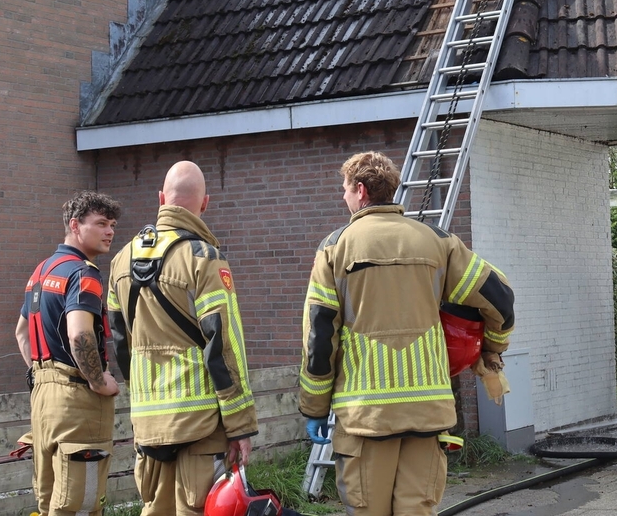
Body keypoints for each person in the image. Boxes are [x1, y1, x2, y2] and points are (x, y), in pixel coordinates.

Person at [299, 151, 515, 516]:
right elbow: (501, 299)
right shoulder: (438, 242)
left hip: (366, 417)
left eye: (346, 189)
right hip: (426, 416)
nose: (343, 197)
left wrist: (315, 407)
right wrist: (491, 347)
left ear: (361, 190)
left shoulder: (334, 248)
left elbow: (320, 336)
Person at [107, 161, 258, 516]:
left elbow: (120, 344)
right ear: (204, 204)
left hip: (148, 424)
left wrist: (141, 405)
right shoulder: (204, 259)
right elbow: (223, 347)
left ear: (161, 199)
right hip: (200, 423)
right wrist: (240, 425)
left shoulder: (119, 262)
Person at [14, 191, 122, 516]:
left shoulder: (40, 273)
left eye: (113, 224)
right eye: (101, 223)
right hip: (77, 403)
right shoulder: (83, 273)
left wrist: (44, 375)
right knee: (80, 504)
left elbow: (21, 333)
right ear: (75, 225)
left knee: (50, 504)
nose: (110, 231)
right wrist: (99, 381)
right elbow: (79, 333)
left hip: (43, 400)